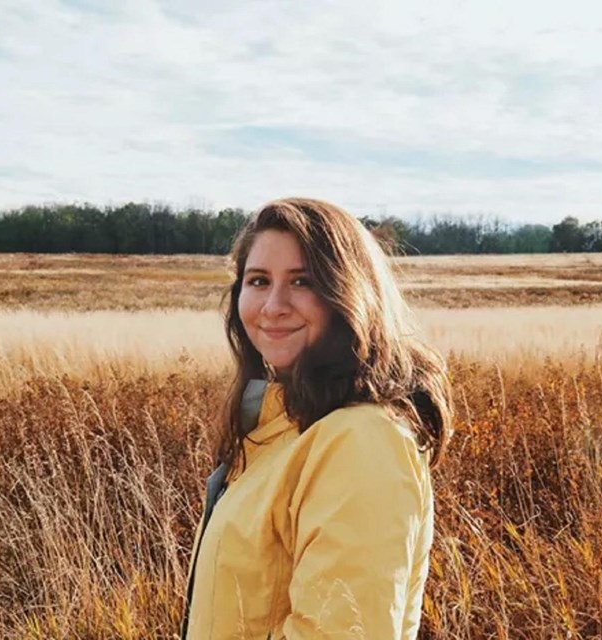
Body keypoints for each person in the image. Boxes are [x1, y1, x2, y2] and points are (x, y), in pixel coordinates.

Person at [181, 198, 453, 639]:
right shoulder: (280, 429)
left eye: (302, 281)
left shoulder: (361, 441)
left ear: (347, 294)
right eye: (258, 281)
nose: (273, 305)